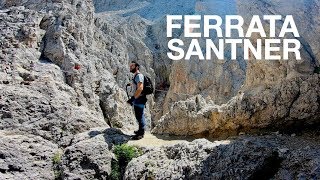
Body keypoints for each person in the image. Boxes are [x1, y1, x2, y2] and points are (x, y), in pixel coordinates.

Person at [127, 61, 147, 138]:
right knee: (138, 115)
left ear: (137, 67)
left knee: (140, 115)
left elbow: (140, 88)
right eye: (130, 66)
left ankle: (141, 134)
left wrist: (132, 98)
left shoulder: (139, 75)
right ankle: (140, 130)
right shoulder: (136, 76)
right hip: (138, 98)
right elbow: (136, 86)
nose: (130, 67)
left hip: (139, 98)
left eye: (132, 66)